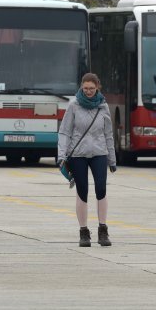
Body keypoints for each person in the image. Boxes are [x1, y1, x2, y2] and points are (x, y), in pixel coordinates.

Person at [57, 73, 116, 247]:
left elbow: (108, 135)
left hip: (99, 152)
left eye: (92, 88)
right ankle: (83, 232)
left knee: (101, 189)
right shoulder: (73, 106)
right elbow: (65, 132)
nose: (89, 91)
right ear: (81, 87)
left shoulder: (103, 107)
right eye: (86, 88)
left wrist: (112, 159)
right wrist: (61, 156)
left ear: (98, 87)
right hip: (78, 154)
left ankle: (103, 230)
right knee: (82, 191)